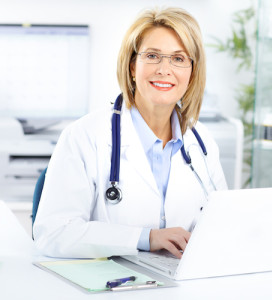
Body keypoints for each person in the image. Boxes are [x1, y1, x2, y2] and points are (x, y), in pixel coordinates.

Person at [33, 7, 227, 259]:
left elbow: (221, 225)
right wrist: (146, 238)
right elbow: (54, 233)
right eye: (153, 56)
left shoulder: (202, 143)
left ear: (191, 73)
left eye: (178, 59)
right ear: (133, 66)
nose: (164, 69)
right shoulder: (84, 136)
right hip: (108, 285)